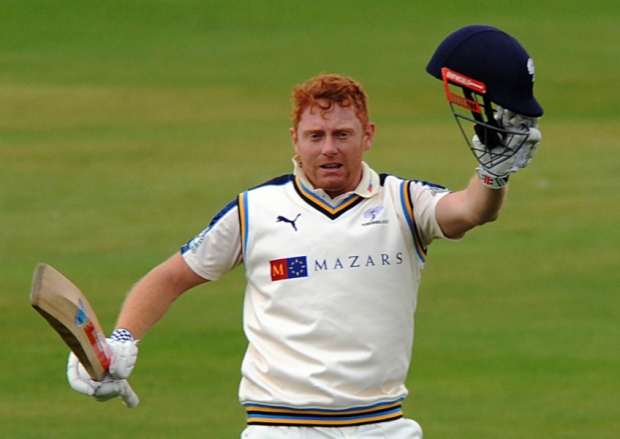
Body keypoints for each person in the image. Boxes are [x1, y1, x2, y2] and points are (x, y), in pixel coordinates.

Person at [67, 25, 543, 439]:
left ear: (368, 135)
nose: (329, 149)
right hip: (278, 427)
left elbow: (472, 212)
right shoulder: (254, 211)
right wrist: (124, 339)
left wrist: (492, 176)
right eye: (316, 136)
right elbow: (171, 276)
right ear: (295, 138)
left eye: (343, 135)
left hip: (381, 425)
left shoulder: (403, 201)